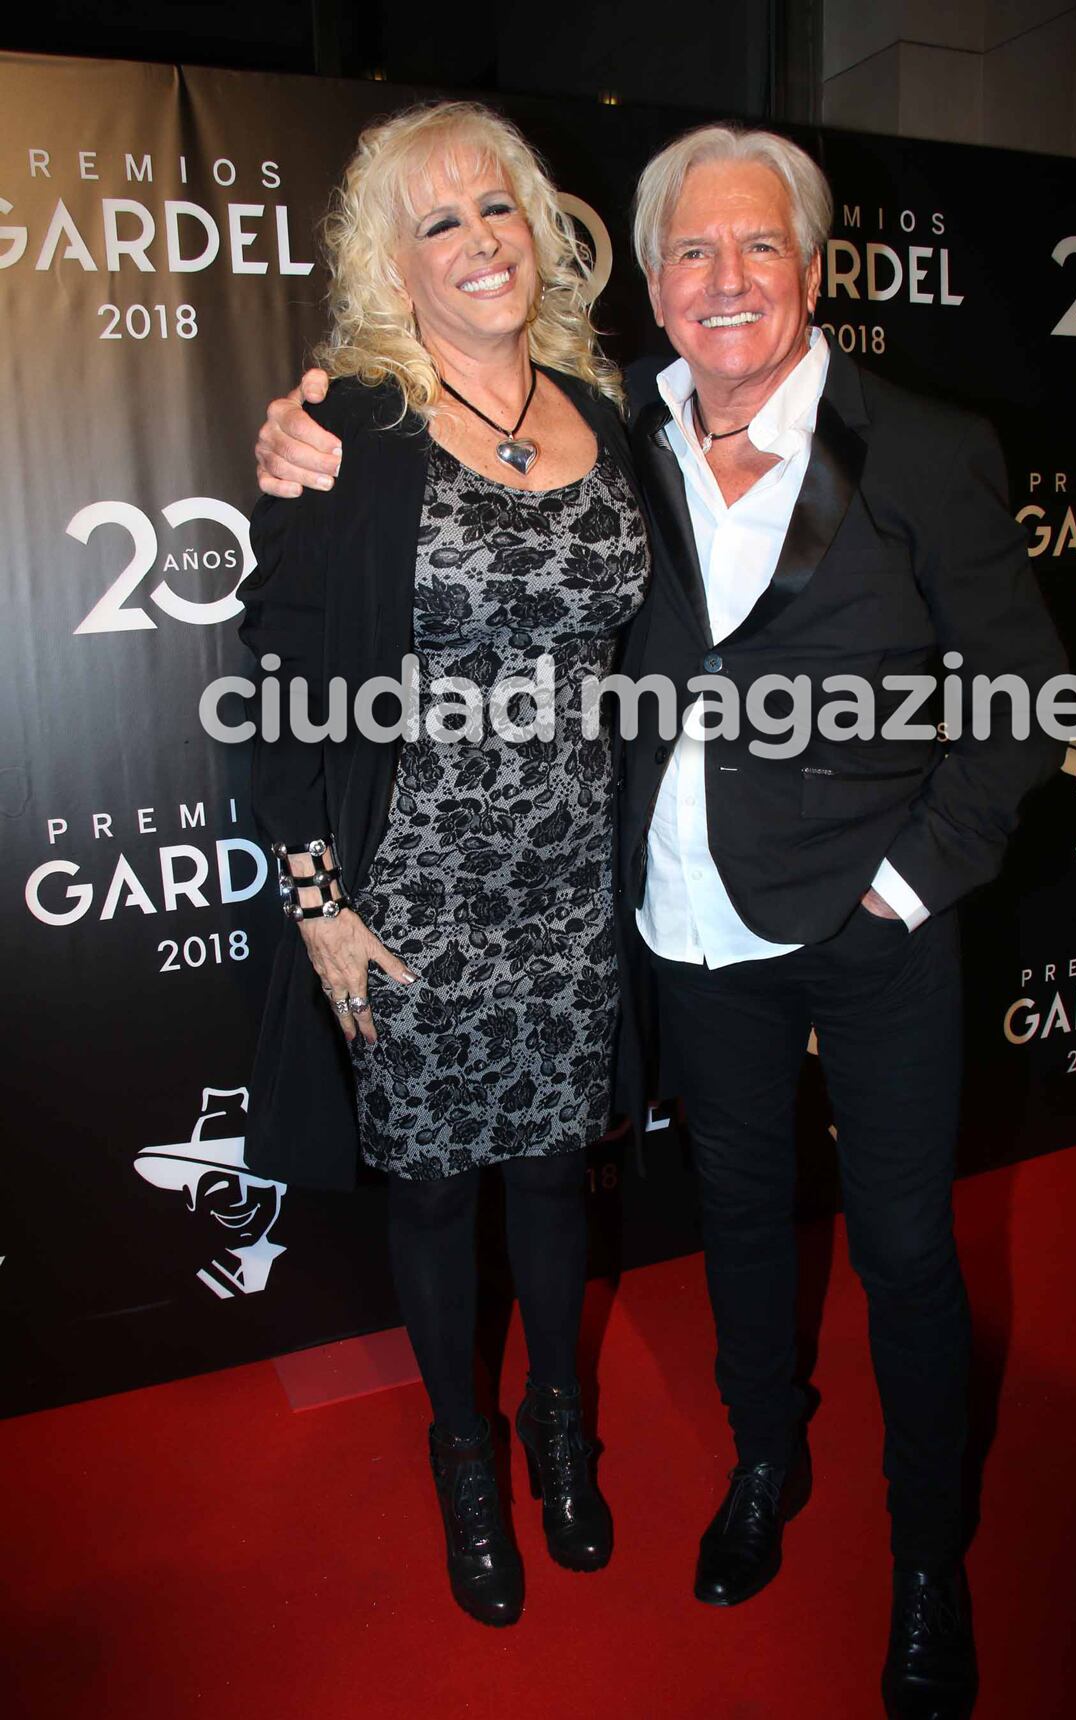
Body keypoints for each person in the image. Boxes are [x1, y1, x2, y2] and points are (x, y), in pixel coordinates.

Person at [255, 123, 1069, 1717]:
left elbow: (1027, 698)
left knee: (905, 1250)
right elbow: (320, 619)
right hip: (660, 920)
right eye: (692, 251)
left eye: (757, 246)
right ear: (649, 277)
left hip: (852, 917)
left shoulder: (893, 441)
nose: (723, 279)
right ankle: (752, 1468)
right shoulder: (614, 420)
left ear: (816, 268)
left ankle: (925, 1559)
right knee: (741, 1229)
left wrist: (913, 882)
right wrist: (297, 426)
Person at [239, 101, 649, 1629]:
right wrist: (317, 908)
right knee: (430, 1195)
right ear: (389, 262)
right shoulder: (348, 422)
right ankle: (464, 1455)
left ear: (537, 226)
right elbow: (274, 680)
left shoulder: (603, 408)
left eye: (499, 210)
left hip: (568, 880)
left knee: (553, 1172)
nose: (480, 242)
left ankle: (561, 1432)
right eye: (440, 223)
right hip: (407, 888)